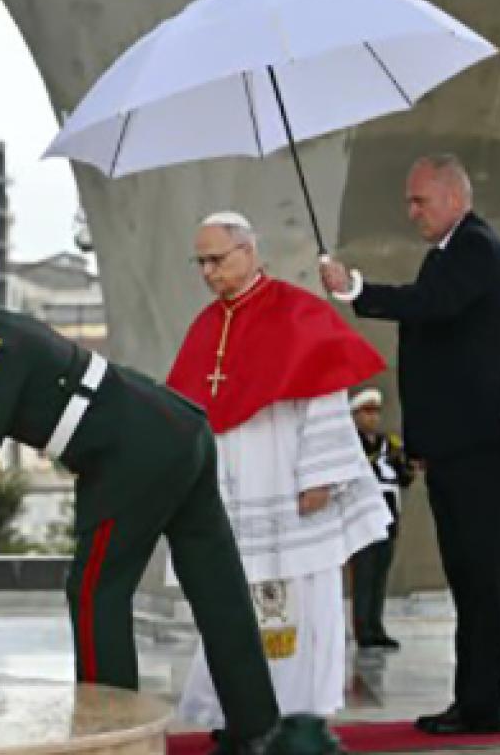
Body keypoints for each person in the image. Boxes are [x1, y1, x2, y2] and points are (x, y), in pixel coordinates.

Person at [0, 263, 289, 755]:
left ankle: (113, 733)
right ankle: (256, 729)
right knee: (217, 587)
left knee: (94, 590)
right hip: (176, 432)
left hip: (135, 457)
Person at [320, 153, 500, 735]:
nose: (410, 210)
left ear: (453, 197)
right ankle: (473, 699)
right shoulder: (448, 252)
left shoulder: (474, 247)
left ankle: (484, 705)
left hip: (482, 436)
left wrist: (356, 288)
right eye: (409, 200)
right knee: (467, 574)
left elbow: (430, 308)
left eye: (420, 200)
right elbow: (435, 350)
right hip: (459, 439)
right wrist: (422, 441)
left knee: (482, 576)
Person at [167, 212, 391, 752]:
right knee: (230, 601)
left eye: (216, 259)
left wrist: (319, 474)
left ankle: (299, 718)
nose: (208, 272)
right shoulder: (205, 326)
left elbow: (324, 394)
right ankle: (236, 712)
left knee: (298, 602)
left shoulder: (297, 313)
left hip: (290, 488)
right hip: (231, 497)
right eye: (200, 262)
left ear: (248, 252)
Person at [348, 387, 414, 650]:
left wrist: (407, 465)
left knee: (380, 573)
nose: (373, 417)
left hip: (387, 511)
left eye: (376, 412)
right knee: (363, 573)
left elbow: (404, 478)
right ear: (354, 415)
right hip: (362, 512)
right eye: (366, 412)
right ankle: (363, 629)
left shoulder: (389, 444)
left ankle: (376, 626)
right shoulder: (352, 445)